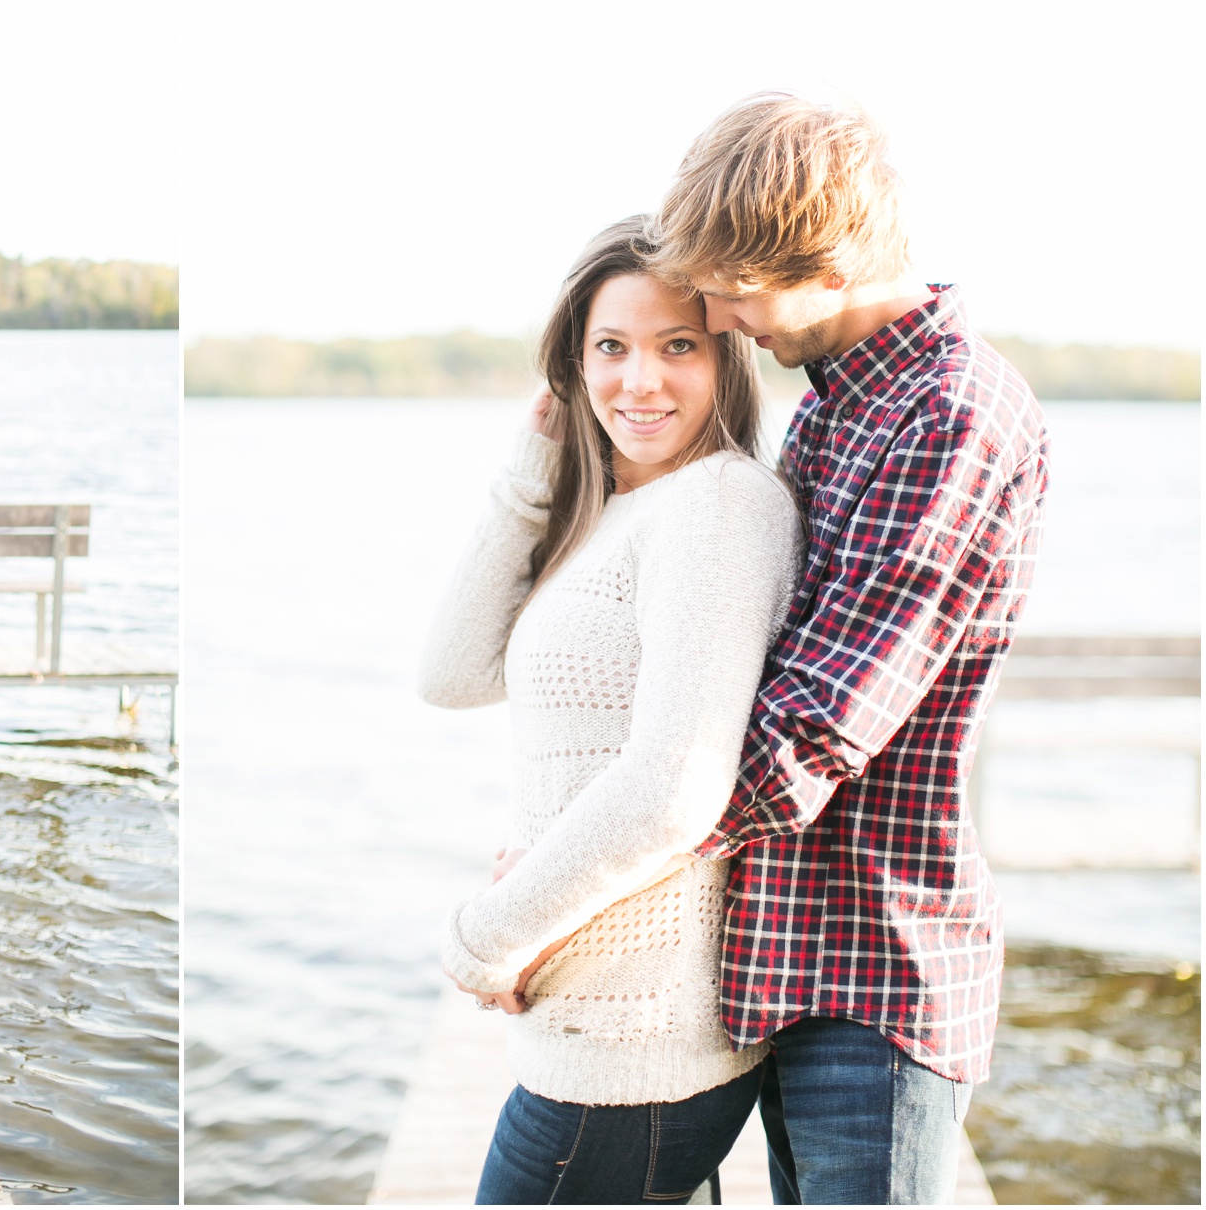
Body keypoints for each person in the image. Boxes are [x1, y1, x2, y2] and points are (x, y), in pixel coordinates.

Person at [650, 93, 1049, 1204]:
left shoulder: (948, 412)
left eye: (736, 290)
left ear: (828, 266)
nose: (724, 320)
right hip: (785, 945)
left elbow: (821, 721)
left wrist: (608, 866)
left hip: (871, 968)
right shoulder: (835, 406)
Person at [419, 215, 803, 1205]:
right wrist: (529, 469)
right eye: (609, 347)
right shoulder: (624, 509)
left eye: (677, 345)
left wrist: (483, 937)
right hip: (583, 1023)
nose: (639, 381)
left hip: (634, 1046)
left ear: (723, 358)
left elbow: (673, 788)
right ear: (569, 364)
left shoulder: (715, 501)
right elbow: (452, 671)